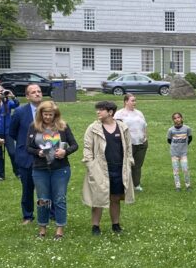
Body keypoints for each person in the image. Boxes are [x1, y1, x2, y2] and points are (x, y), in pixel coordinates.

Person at [28, 100, 78, 238]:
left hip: (60, 168)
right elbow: (28, 147)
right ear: (40, 114)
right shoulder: (34, 127)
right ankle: (42, 229)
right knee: (43, 199)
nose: (48, 117)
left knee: (59, 198)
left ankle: (59, 230)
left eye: (50, 115)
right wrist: (38, 152)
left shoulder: (63, 127)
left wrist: (65, 152)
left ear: (55, 115)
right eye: (45, 114)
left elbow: (74, 145)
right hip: (40, 169)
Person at [82, 100, 134, 234]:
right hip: (99, 169)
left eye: (101, 109)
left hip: (119, 168)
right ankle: (95, 226)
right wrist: (90, 165)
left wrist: (129, 161)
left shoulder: (122, 127)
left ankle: (115, 225)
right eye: (97, 109)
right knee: (98, 199)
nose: (97, 112)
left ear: (110, 112)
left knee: (115, 198)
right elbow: (87, 148)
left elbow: (128, 147)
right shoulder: (93, 128)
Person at [9, 84, 45, 224]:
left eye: (39, 91)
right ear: (27, 96)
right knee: (28, 188)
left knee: (45, 188)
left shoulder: (48, 110)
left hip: (45, 155)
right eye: (33, 92)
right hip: (26, 156)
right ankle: (28, 215)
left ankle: (48, 213)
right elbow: (12, 132)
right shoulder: (19, 112)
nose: (37, 94)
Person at [117, 93, 148, 191]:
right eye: (132, 100)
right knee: (126, 164)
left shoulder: (139, 113)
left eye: (135, 100)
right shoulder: (119, 114)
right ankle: (125, 185)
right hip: (127, 144)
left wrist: (145, 137)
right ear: (126, 102)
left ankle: (136, 185)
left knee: (138, 165)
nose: (135, 102)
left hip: (141, 143)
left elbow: (144, 125)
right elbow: (116, 128)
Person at [167, 111, 193, 190]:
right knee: (176, 170)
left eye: (178, 117)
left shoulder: (187, 128)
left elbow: (190, 138)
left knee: (185, 169)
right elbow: (169, 140)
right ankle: (177, 186)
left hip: (183, 154)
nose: (177, 119)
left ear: (182, 118)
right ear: (173, 120)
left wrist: (184, 145)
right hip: (174, 154)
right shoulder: (171, 130)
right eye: (175, 118)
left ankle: (188, 185)